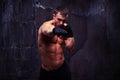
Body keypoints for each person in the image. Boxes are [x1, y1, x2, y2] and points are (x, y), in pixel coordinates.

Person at [38, 6, 75, 80]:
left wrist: (70, 34)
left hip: (62, 69)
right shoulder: (46, 25)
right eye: (59, 19)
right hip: (47, 72)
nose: (61, 23)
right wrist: (54, 30)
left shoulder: (64, 27)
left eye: (63, 20)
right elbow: (46, 30)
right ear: (54, 16)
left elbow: (69, 48)